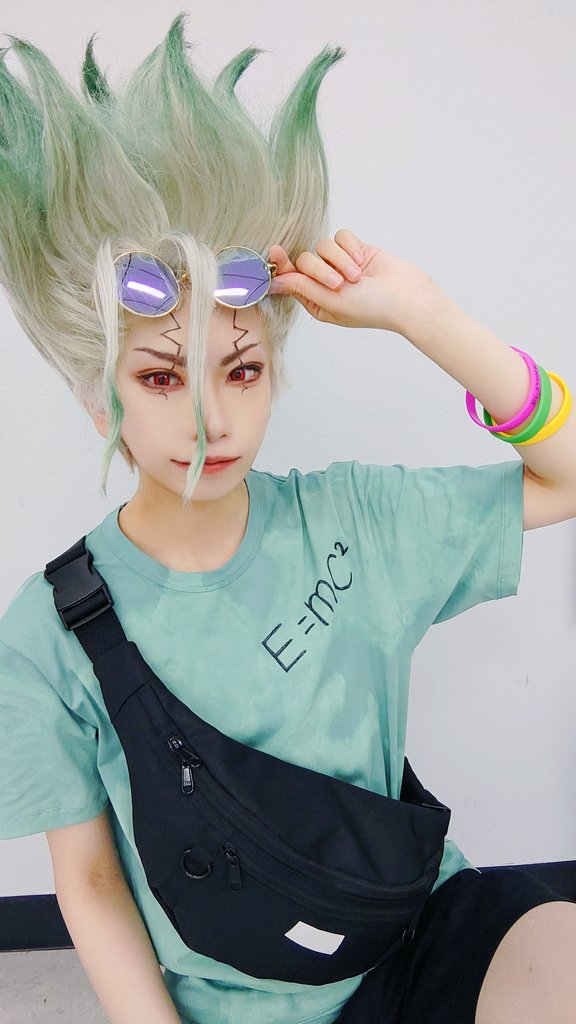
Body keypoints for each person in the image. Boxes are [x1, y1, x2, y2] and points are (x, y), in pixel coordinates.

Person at [0, 12, 575, 1024]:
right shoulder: (45, 635)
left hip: (418, 930)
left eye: (241, 368)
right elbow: (87, 882)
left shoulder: (352, 518)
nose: (211, 417)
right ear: (102, 400)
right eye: (161, 376)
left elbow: (566, 478)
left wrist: (420, 311)